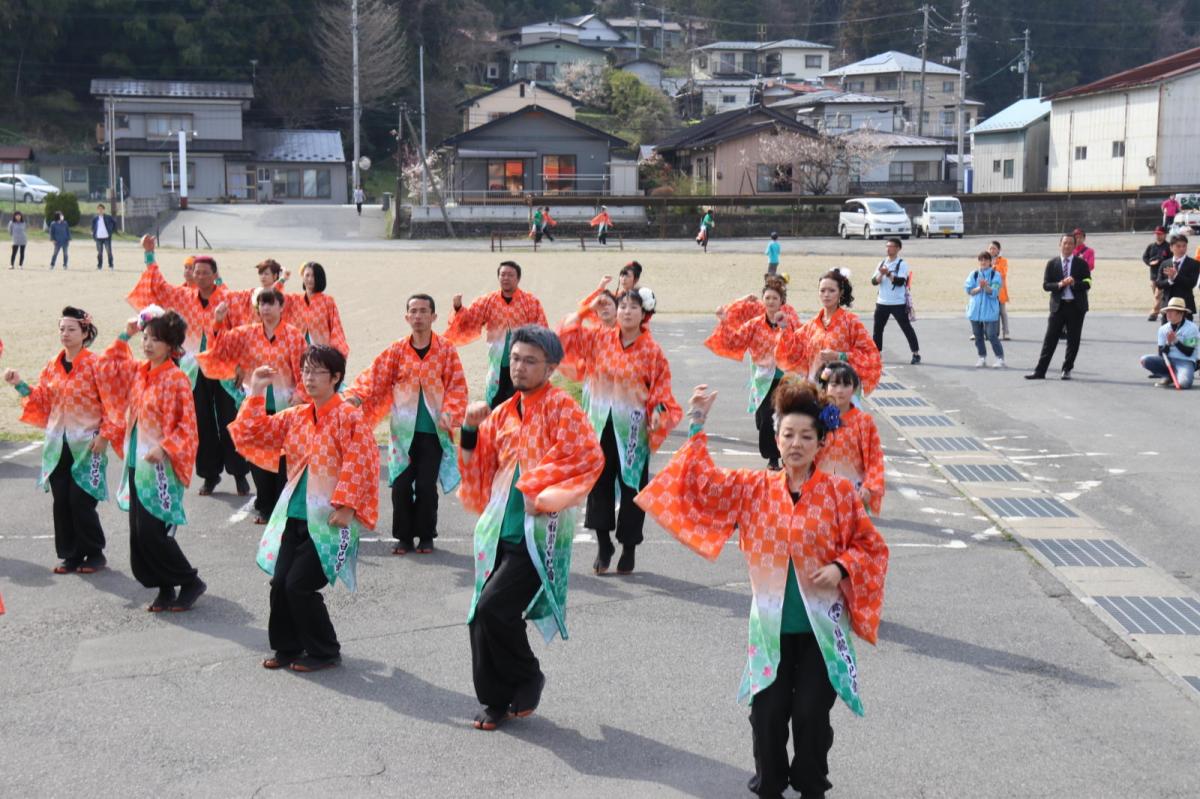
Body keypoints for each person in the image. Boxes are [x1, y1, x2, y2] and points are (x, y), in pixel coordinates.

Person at [636, 380, 888, 799]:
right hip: (769, 630)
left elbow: (871, 547)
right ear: (776, 438)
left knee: (810, 714)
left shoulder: (840, 493)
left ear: (821, 442)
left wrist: (842, 566)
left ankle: (811, 786)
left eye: (807, 436)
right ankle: (769, 785)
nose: (796, 443)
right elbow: (701, 484)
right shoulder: (754, 488)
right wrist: (697, 421)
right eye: (788, 434)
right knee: (767, 716)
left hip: (820, 632)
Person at [458, 325, 604, 731]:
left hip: (538, 533)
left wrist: (535, 483)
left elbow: (587, 457)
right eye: (515, 359)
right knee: (482, 615)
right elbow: (480, 471)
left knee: (492, 608)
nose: (519, 367)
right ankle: (496, 700)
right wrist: (470, 432)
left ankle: (527, 677)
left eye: (530, 361)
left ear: (551, 367)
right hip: (499, 529)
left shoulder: (563, 409)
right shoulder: (503, 412)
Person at [229, 346, 380, 673]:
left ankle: (325, 650)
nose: (309, 378)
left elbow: (362, 461)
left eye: (317, 372)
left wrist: (348, 506)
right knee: (280, 583)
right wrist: (255, 392)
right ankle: (287, 647)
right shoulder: (296, 415)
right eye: (306, 371)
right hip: (295, 514)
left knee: (300, 584)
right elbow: (252, 432)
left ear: (336, 377)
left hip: (329, 519)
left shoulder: (349, 417)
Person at [559, 288, 682, 575]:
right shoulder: (599, 339)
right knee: (598, 485)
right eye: (622, 306)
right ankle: (604, 544)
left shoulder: (652, 352)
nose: (626, 311)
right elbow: (565, 337)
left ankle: (628, 546)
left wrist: (658, 416)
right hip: (599, 423)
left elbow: (662, 393)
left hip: (633, 431)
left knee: (632, 490)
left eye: (633, 307)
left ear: (644, 315)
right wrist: (587, 309)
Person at [96, 308, 205, 612]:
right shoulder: (139, 372)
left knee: (153, 531)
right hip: (136, 461)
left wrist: (166, 447)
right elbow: (105, 368)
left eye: (155, 339)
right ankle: (165, 587)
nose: (147, 344)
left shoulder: (177, 379)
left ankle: (190, 581)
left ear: (171, 345)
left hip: (160, 466)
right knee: (139, 532)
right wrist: (125, 334)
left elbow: (188, 426)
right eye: (145, 338)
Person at [346, 294, 468, 555]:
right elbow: (374, 374)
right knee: (401, 486)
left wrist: (451, 413)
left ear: (434, 316)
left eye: (424, 311)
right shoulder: (397, 350)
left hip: (433, 432)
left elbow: (457, 386)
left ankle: (425, 536)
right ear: (406, 317)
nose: (418, 316)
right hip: (402, 434)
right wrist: (356, 395)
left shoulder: (446, 350)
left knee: (425, 486)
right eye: (413, 311)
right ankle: (403, 537)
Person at [128, 238, 249, 496]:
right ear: (192, 274)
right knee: (201, 421)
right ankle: (209, 474)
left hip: (224, 368)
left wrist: (242, 366)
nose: (201, 276)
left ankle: (239, 473)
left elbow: (241, 333)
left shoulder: (228, 300)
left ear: (215, 275)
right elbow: (159, 288)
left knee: (230, 419)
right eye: (197, 272)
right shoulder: (184, 296)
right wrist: (150, 254)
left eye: (206, 272)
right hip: (193, 370)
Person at [4, 308, 117, 574]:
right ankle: (71, 554)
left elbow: (112, 404)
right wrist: (19, 383)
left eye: (71, 329)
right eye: (62, 329)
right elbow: (42, 399)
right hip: (58, 443)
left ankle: (95, 552)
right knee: (61, 500)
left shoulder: (96, 364)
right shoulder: (52, 364)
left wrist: (105, 435)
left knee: (81, 499)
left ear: (86, 333)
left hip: (88, 444)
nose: (65, 334)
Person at [195, 289, 309, 524]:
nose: (265, 308)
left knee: (284, 459)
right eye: (261, 304)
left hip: (284, 407)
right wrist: (217, 320)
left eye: (270, 303)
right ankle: (265, 506)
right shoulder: (246, 334)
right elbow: (219, 346)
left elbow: (304, 368)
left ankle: (280, 507)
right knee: (257, 458)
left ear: (281, 307)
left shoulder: (293, 336)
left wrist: (300, 393)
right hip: (254, 405)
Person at [706, 275, 800, 470]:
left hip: (784, 377)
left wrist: (787, 330)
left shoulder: (789, 320)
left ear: (782, 301)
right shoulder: (755, 323)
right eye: (768, 298)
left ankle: (776, 457)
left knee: (781, 418)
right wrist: (724, 322)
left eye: (775, 298)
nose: (771, 301)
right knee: (764, 419)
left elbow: (800, 342)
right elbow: (735, 340)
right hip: (763, 376)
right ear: (763, 301)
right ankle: (772, 450)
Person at [445, 261, 548, 408]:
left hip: (523, 361)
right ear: (498, 277)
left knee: (521, 402)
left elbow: (542, 330)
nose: (506, 278)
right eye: (503, 274)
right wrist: (458, 307)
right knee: (496, 403)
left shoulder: (531, 302)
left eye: (510, 275)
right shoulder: (488, 301)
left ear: (518, 278)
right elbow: (469, 320)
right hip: (497, 362)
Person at [776, 269, 882, 396]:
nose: (826, 294)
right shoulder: (812, 325)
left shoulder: (851, 322)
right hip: (815, 389)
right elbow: (792, 349)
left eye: (831, 291)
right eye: (822, 290)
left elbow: (871, 356)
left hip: (842, 390)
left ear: (840, 293)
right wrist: (784, 328)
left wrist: (840, 356)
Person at [816, 363, 885, 515]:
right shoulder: (816, 418)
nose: (839, 390)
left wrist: (869, 486)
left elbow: (875, 458)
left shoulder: (864, 421)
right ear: (825, 387)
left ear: (854, 388)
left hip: (854, 491)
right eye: (834, 384)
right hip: (818, 490)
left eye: (846, 384)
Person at [1026, 234, 1093, 381]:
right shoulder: (1052, 263)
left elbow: (1088, 282)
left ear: (1074, 246)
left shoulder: (1081, 263)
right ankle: (1040, 371)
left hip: (1076, 307)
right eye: (1065, 243)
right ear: (1060, 245)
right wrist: (1060, 285)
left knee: (1073, 340)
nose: (1067, 246)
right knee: (1050, 339)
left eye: (1070, 243)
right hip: (1058, 307)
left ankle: (1067, 369)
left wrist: (1074, 283)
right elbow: (1046, 285)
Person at [277, 261, 350, 356]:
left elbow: (335, 328)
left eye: (314, 276)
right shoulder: (293, 300)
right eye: (307, 275)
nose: (310, 279)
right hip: (297, 352)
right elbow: (272, 298)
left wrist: (337, 353)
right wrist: (282, 279)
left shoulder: (328, 301)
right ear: (303, 278)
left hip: (321, 354)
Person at [870, 238, 920, 364]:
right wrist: (881, 274)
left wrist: (888, 274)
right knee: (878, 329)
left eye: (891, 246)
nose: (888, 249)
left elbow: (900, 282)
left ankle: (915, 353)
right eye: (887, 246)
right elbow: (873, 282)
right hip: (882, 302)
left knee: (906, 328)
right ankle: (877, 353)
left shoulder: (902, 264)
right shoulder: (881, 263)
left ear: (898, 248)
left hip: (898, 303)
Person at [1140, 297, 1199, 389]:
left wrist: (1175, 341)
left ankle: (1178, 375)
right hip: (1168, 360)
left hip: (1185, 361)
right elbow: (1161, 353)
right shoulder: (1163, 329)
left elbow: (1189, 352)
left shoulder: (1192, 328)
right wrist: (1167, 344)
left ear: (1181, 313)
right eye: (1167, 311)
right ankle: (1168, 375)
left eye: (1172, 311)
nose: (1168, 314)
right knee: (1144, 360)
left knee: (1183, 384)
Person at [965, 251, 1006, 368]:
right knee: (978, 335)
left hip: (990, 310)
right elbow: (969, 291)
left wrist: (986, 287)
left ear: (990, 261)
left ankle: (1000, 357)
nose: (983, 262)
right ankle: (982, 357)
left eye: (986, 260)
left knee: (992, 335)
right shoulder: (974, 274)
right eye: (981, 260)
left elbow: (994, 292)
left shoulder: (995, 275)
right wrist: (979, 287)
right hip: (975, 310)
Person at [223, 258, 285, 327]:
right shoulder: (253, 292)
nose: (263, 277)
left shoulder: (279, 294)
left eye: (266, 274)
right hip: (253, 330)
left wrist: (282, 280)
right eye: (261, 274)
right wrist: (217, 280)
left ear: (275, 276)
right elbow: (230, 295)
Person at [1156, 233, 1198, 316]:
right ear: (1171, 248)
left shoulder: (1194, 264)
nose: (1182, 249)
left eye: (1184, 246)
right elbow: (1159, 284)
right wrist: (1169, 280)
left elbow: (1191, 283)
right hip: (1168, 307)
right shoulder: (1165, 263)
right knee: (1166, 329)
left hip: (1185, 307)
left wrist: (1176, 276)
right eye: (1178, 246)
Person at [1144, 227, 1171, 321]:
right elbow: (1145, 257)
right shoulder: (1151, 246)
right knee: (1158, 295)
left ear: (1165, 235)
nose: (1158, 236)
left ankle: (1154, 313)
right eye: (1156, 234)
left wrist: (1160, 262)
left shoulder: (1168, 246)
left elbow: (1171, 260)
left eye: (1160, 234)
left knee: (1157, 295)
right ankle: (1164, 310)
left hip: (1164, 274)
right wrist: (1150, 262)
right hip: (1153, 274)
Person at [989, 241, 1010, 339]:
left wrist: (994, 268)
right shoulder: (986, 260)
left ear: (999, 250)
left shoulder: (1003, 260)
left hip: (1000, 291)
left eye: (994, 248)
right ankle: (995, 333)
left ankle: (1006, 332)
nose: (991, 250)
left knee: (1002, 312)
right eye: (990, 248)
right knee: (994, 312)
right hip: (990, 291)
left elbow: (1003, 273)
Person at [92, 204, 116, 270]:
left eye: (101, 209)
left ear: (103, 210)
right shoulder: (95, 219)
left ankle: (111, 265)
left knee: (109, 252)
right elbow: (93, 227)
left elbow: (114, 223)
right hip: (98, 238)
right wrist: (94, 234)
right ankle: (99, 266)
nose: (100, 210)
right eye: (99, 209)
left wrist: (111, 231)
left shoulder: (108, 217)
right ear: (97, 210)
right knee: (99, 253)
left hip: (106, 238)